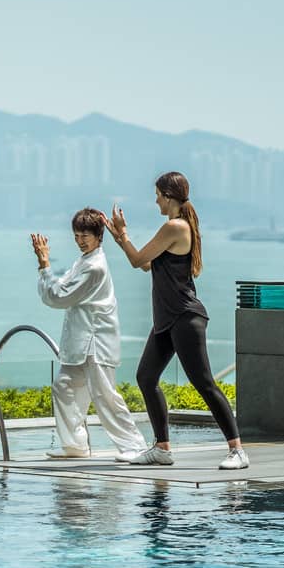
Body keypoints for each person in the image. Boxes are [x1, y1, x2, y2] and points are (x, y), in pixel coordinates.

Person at [103, 171, 249, 470]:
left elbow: (136, 259)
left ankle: (237, 451)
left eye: (157, 194)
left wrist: (123, 237)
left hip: (184, 317)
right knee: (146, 377)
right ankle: (161, 448)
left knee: (203, 382)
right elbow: (145, 265)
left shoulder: (175, 227)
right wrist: (122, 238)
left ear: (168, 196)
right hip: (167, 320)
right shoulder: (172, 229)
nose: (155, 199)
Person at [31, 208, 149, 460]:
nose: (80, 240)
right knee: (64, 387)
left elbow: (59, 296)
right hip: (82, 340)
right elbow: (62, 289)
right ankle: (75, 446)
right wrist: (47, 271)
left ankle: (135, 447)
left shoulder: (94, 267)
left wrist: (44, 265)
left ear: (98, 236)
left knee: (105, 395)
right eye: (76, 235)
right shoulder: (84, 261)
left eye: (85, 235)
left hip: (96, 340)